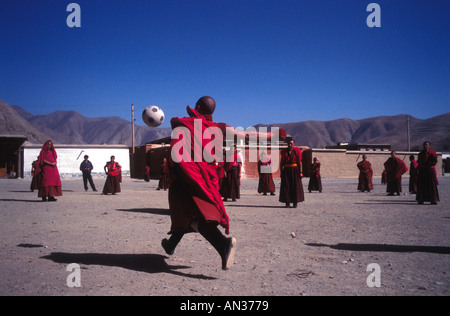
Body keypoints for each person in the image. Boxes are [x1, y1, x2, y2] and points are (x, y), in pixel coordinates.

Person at [161, 96, 236, 270]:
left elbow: (176, 153)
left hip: (186, 176)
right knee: (185, 213)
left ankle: (223, 245)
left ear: (196, 106)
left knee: (194, 217)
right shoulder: (215, 129)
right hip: (204, 177)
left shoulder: (186, 125)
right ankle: (170, 245)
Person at [279, 138, 304, 208]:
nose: (290, 145)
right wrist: (281, 172)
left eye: (291, 144)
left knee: (295, 186)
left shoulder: (297, 151)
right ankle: (287, 202)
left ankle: (295, 202)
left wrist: (300, 172)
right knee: (286, 186)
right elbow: (282, 163)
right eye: (289, 144)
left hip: (295, 170)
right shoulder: (284, 151)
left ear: (294, 144)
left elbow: (299, 162)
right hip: (286, 170)